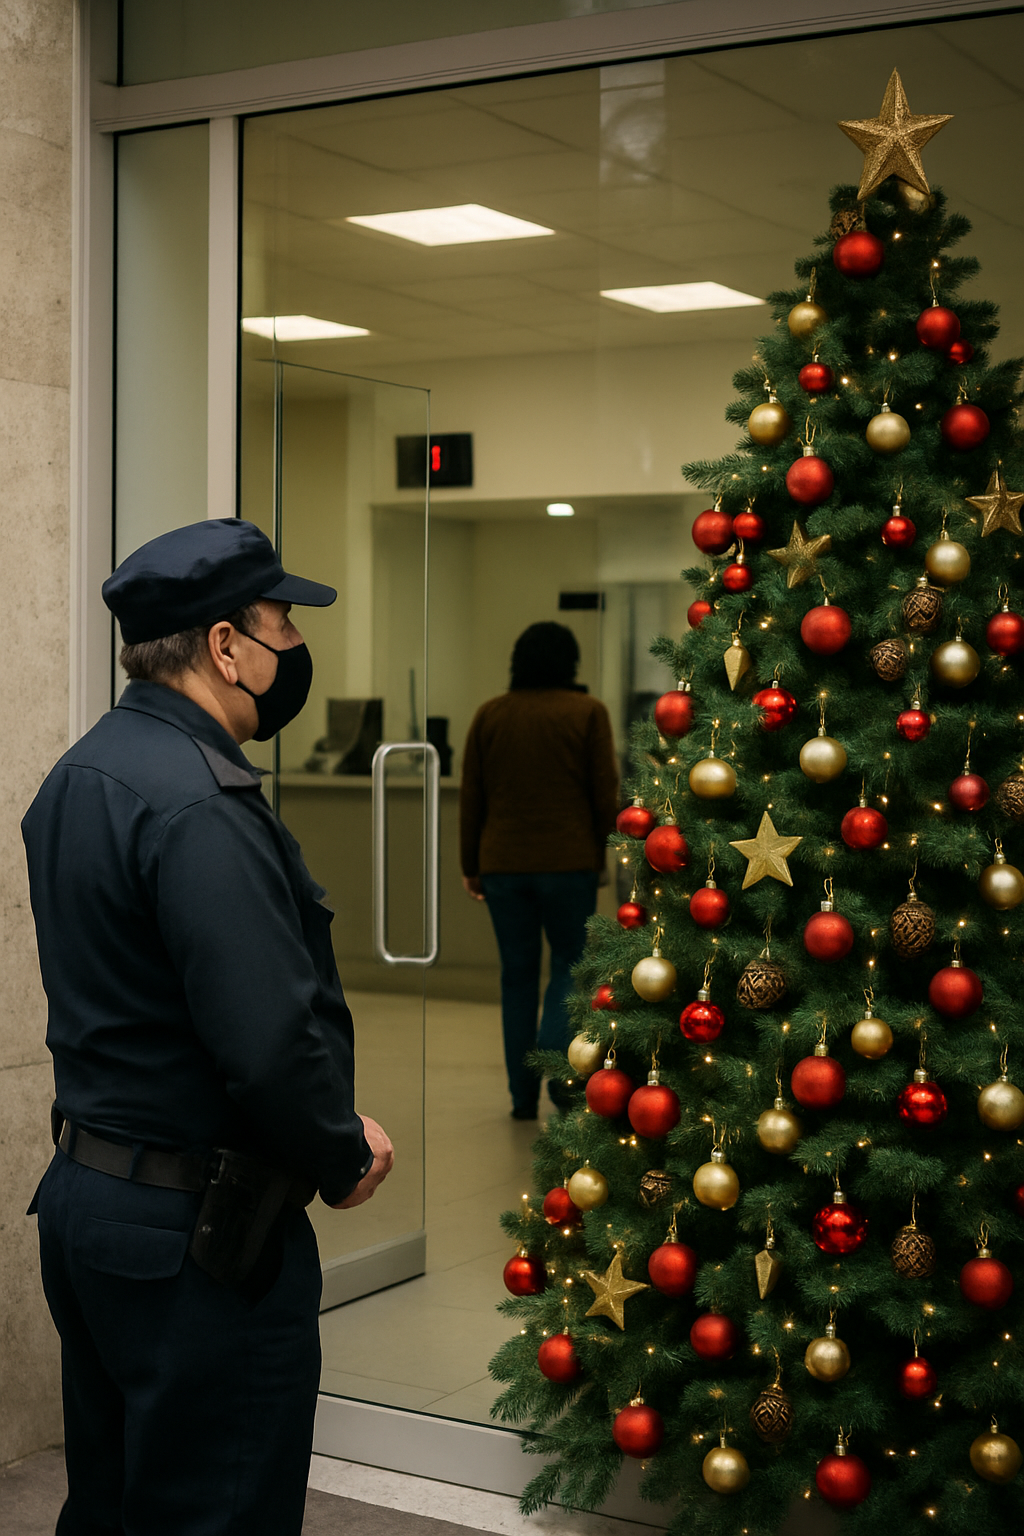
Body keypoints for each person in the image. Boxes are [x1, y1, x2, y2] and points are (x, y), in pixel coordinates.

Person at [22, 517, 394, 1536]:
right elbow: (265, 1039)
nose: (293, 648)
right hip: (197, 1241)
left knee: (113, 1499)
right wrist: (338, 1148)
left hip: (89, 1207)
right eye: (280, 624)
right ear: (226, 646)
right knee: (216, 1508)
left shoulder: (82, 776)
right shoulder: (199, 805)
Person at [460, 622, 619, 1119]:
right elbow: (604, 794)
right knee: (570, 965)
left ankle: (521, 1098)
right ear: (570, 663)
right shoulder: (588, 713)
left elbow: (472, 797)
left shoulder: (491, 714)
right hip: (568, 862)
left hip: (502, 864)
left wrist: (471, 865)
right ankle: (557, 1064)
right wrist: (600, 857)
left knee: (517, 977)